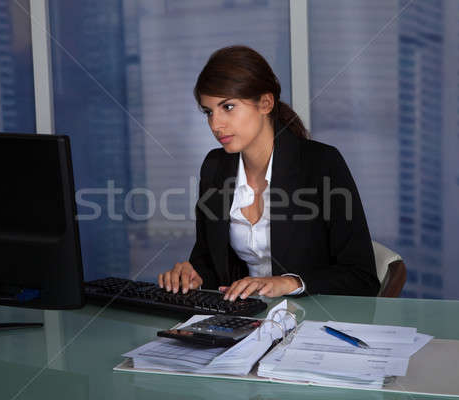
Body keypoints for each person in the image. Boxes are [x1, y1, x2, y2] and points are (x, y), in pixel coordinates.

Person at [158, 45, 380, 300]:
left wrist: (290, 283)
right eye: (209, 112)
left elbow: (361, 277)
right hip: (245, 323)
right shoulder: (215, 167)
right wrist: (192, 276)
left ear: (265, 103)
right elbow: (210, 264)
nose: (215, 125)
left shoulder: (321, 163)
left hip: (311, 322)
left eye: (227, 107)